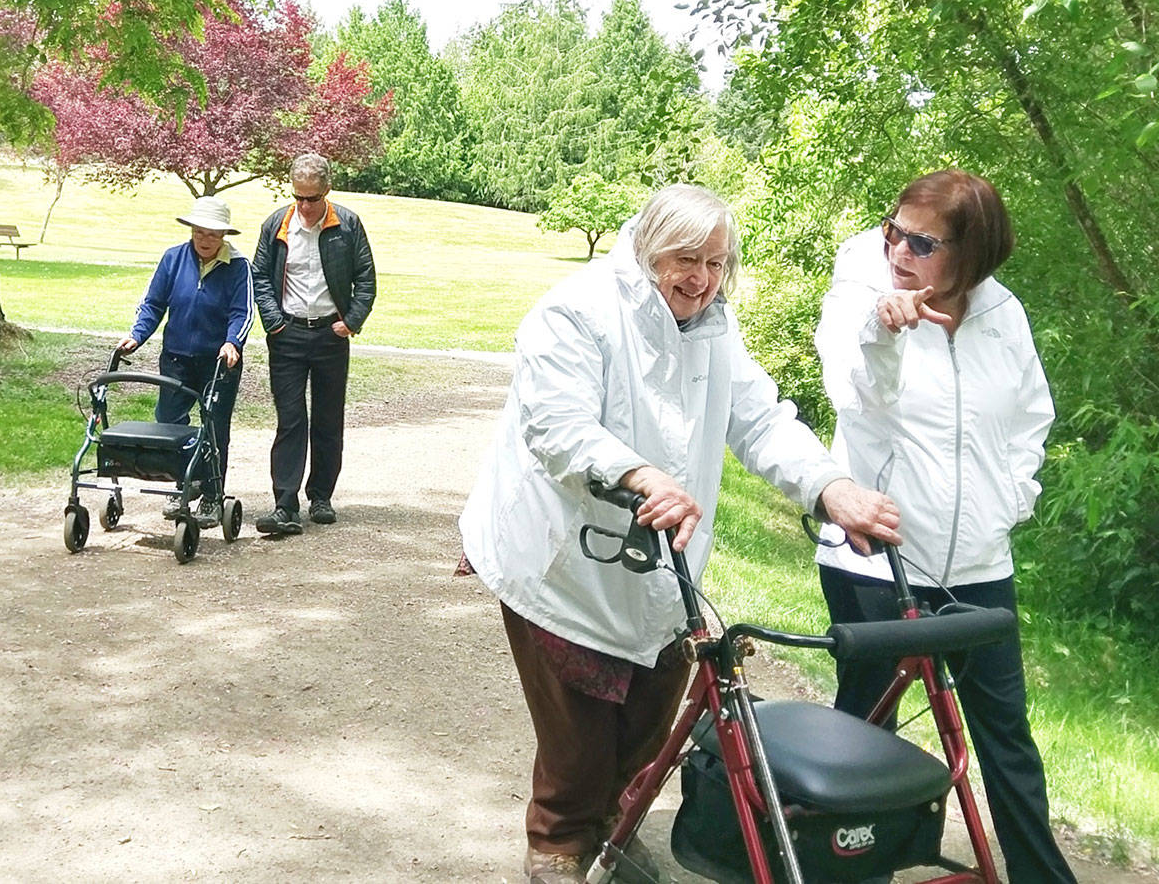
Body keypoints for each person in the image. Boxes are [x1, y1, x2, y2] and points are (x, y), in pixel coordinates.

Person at [459, 184, 902, 884]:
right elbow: (556, 426)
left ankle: (612, 831)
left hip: (663, 566)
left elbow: (758, 420)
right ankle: (558, 846)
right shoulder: (577, 311)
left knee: (645, 724)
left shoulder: (716, 327)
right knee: (577, 740)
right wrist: (636, 472)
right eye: (686, 258)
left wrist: (830, 486)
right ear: (648, 250)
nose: (701, 277)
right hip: (558, 559)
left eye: (717, 262)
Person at [813, 170, 1075, 883]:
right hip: (877, 559)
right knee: (864, 737)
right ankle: (845, 871)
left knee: (1006, 741)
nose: (899, 248)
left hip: (982, 565)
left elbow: (1030, 419)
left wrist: (1010, 500)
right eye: (893, 229)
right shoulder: (860, 294)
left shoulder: (1002, 314)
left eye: (923, 241)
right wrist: (883, 329)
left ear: (974, 252)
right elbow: (852, 390)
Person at [250, 152, 376, 535]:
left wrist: (350, 321)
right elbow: (259, 276)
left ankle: (321, 496)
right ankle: (284, 504)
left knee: (327, 419)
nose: (304, 206)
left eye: (312, 198)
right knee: (290, 420)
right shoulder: (277, 224)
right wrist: (273, 322)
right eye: (299, 197)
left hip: (329, 336)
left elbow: (366, 279)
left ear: (327, 191)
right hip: (287, 335)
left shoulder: (348, 225)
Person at [117, 195, 252, 525]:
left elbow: (243, 312)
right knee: (169, 422)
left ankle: (211, 494)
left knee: (214, 427)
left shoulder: (238, 266)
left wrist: (232, 343)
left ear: (224, 236)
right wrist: (137, 335)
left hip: (219, 361)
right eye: (199, 232)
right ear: (191, 230)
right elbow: (153, 304)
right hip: (176, 357)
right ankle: (183, 486)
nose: (205, 240)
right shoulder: (173, 259)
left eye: (213, 234)